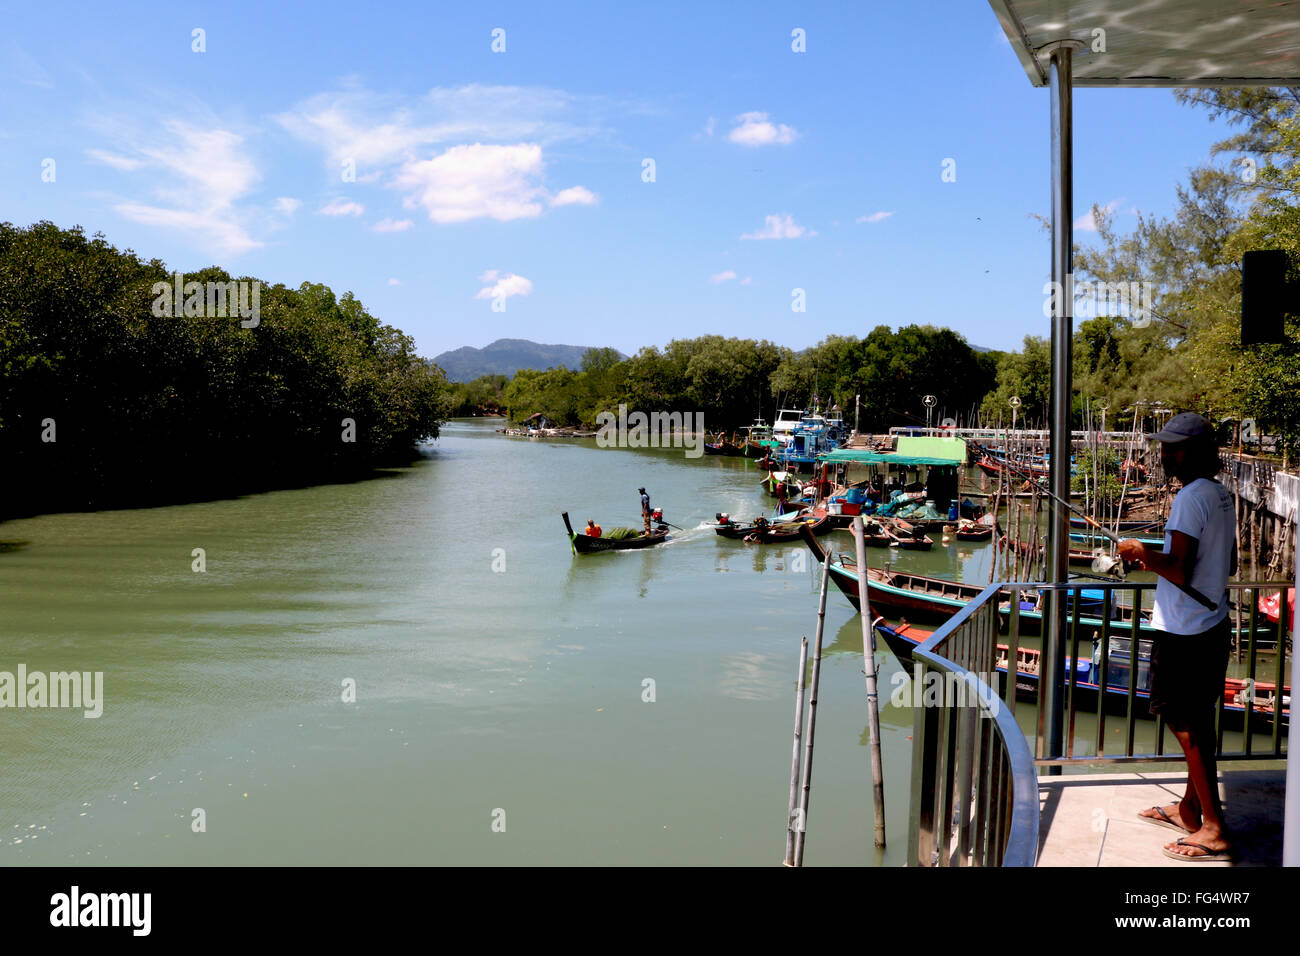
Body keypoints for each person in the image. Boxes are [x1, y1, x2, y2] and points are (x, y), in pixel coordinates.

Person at [1117, 413, 1236, 862]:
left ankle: (1213, 827)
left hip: (1184, 629)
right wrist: (1159, 556)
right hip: (1212, 622)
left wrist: (1140, 553)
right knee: (1198, 724)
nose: (1166, 455)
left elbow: (1180, 569)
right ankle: (1189, 809)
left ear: (1198, 452)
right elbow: (1227, 564)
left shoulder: (1190, 497)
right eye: (1165, 447)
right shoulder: (1220, 495)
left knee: (1186, 726)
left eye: (1175, 448)